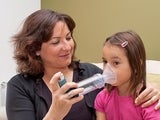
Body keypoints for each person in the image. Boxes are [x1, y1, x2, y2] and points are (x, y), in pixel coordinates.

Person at [6, 9, 160, 120]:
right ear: (35, 48)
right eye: (56, 42)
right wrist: (56, 113)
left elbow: (125, 80)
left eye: (68, 37)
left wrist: (150, 86)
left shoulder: (91, 73)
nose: (67, 47)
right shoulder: (20, 86)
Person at [94, 30, 160, 120]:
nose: (107, 69)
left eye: (116, 62)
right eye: (105, 61)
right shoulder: (102, 98)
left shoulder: (147, 99)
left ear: (136, 65)